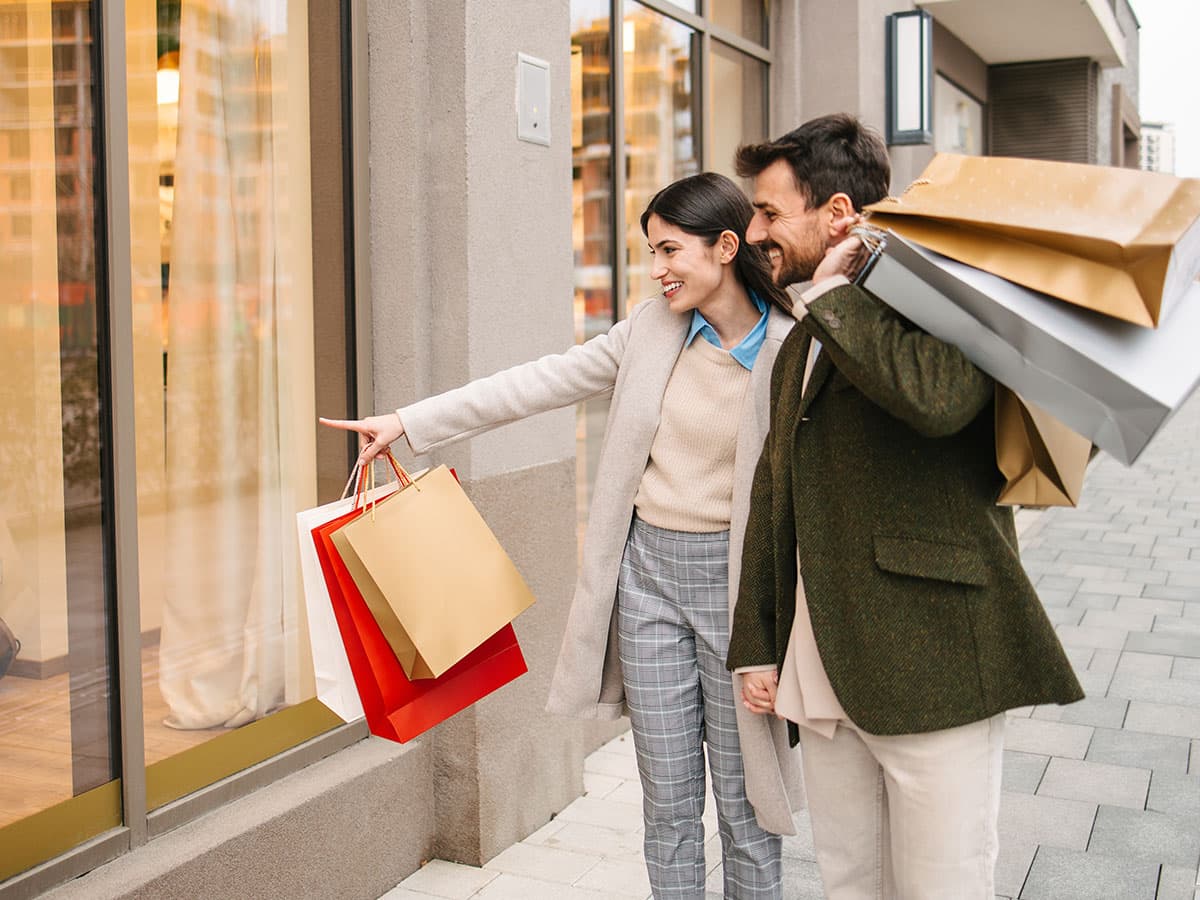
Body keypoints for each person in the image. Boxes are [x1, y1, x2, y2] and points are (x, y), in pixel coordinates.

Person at [322, 172, 804, 899]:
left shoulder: (794, 352)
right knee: (669, 807)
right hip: (647, 587)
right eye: (651, 252)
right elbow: (540, 381)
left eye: (670, 250)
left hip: (741, 596)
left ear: (726, 247)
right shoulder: (651, 330)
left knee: (746, 808)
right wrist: (411, 424)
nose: (657, 269)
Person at [726, 114, 1084, 899]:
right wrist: (758, 640)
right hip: (824, 666)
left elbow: (939, 400)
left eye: (769, 212)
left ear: (840, 213)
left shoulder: (939, 295)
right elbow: (774, 487)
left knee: (942, 884)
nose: (753, 231)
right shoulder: (803, 332)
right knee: (851, 881)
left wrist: (833, 294)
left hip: (936, 660)